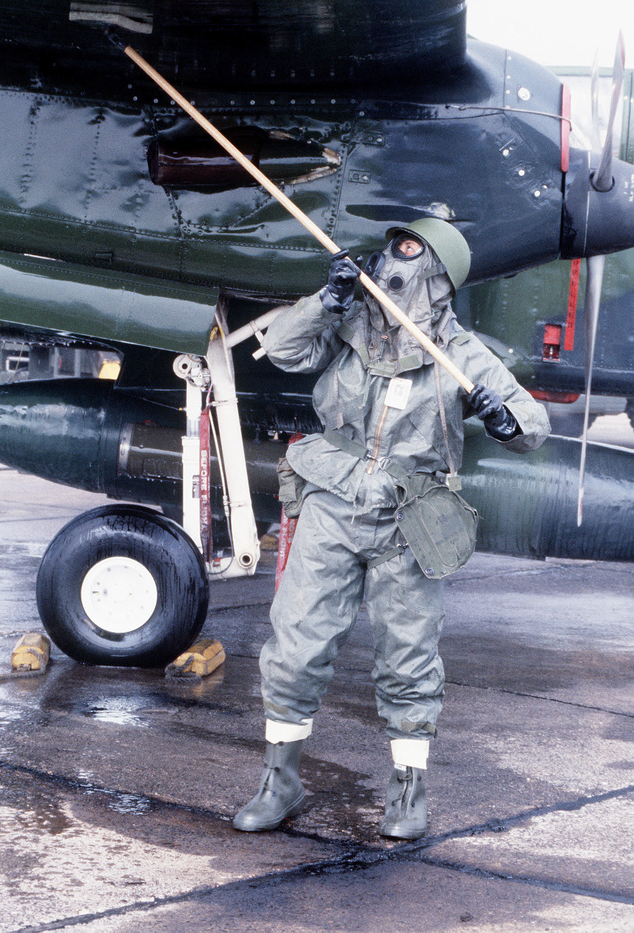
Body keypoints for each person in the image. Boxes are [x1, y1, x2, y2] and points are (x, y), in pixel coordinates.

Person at [233, 218, 550, 839]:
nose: (390, 259)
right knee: (295, 646)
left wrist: (502, 419)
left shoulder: (460, 355)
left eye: (408, 249)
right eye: (391, 246)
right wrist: (325, 300)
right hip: (332, 499)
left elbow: (532, 424)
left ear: (438, 274)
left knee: (408, 659)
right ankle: (281, 781)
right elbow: (283, 350)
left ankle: (408, 789)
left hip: (411, 517)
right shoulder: (347, 325)